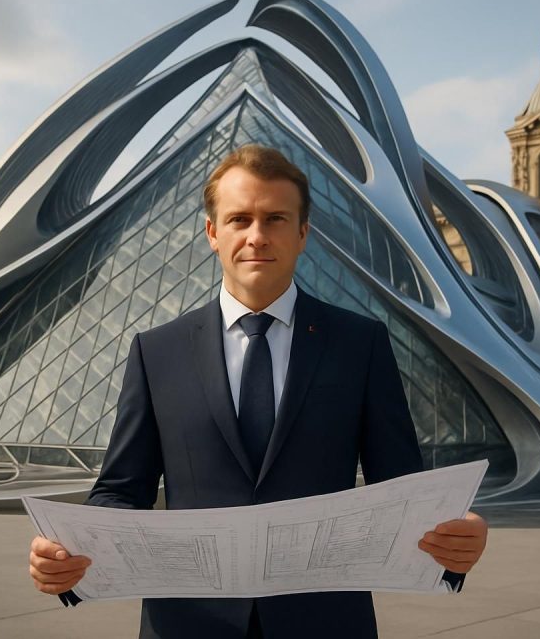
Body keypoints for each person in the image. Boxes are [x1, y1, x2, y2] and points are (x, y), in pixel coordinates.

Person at [29, 144, 488, 638]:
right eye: (239, 219)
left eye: (275, 219)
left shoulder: (361, 344)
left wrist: (456, 537)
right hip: (189, 625)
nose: (256, 236)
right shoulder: (156, 351)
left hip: (324, 623)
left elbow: (402, 488)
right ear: (212, 233)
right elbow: (120, 491)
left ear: (303, 232)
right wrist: (68, 552)